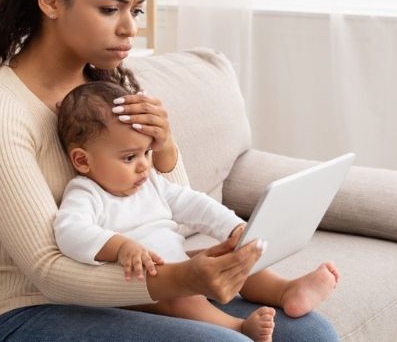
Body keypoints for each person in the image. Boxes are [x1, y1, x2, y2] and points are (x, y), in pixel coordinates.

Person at [0, 0, 340, 342]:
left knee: (309, 332)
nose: (129, 29)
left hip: (131, 295)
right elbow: (48, 272)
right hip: (29, 314)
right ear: (51, 0)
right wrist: (182, 279)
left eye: (134, 10)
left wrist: (166, 148)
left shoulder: (104, 95)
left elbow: (171, 210)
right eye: (111, 8)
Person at [54, 81, 341, 342]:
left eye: (146, 153)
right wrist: (120, 247)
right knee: (181, 299)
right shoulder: (86, 193)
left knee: (236, 257)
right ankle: (237, 328)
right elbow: (70, 232)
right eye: (129, 157)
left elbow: (193, 204)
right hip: (150, 290)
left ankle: (285, 290)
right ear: (82, 160)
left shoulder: (150, 183)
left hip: (183, 268)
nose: (143, 165)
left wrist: (234, 228)